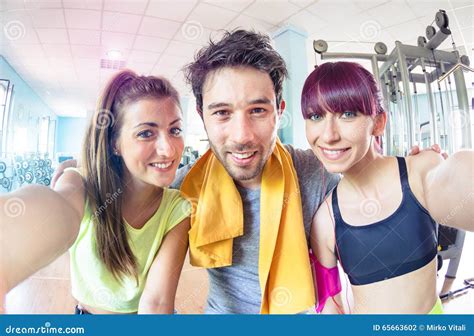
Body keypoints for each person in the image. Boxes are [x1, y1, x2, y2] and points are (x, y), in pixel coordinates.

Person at [48, 30, 438, 315]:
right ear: (201, 116)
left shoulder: (313, 172)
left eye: (258, 110)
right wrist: (73, 173)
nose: (242, 135)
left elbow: (362, 170)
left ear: (279, 111)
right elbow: (125, 181)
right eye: (222, 113)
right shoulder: (183, 191)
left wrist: (412, 169)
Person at [0, 70, 190, 314]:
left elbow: (157, 303)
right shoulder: (80, 185)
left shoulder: (178, 208)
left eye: (175, 130)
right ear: (115, 144)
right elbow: (59, 210)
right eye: (145, 133)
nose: (168, 149)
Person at [302, 61, 473, 314]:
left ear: (379, 122)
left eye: (348, 114)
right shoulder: (324, 222)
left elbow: (460, 178)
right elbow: (331, 305)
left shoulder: (421, 169)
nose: (328, 136)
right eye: (316, 116)